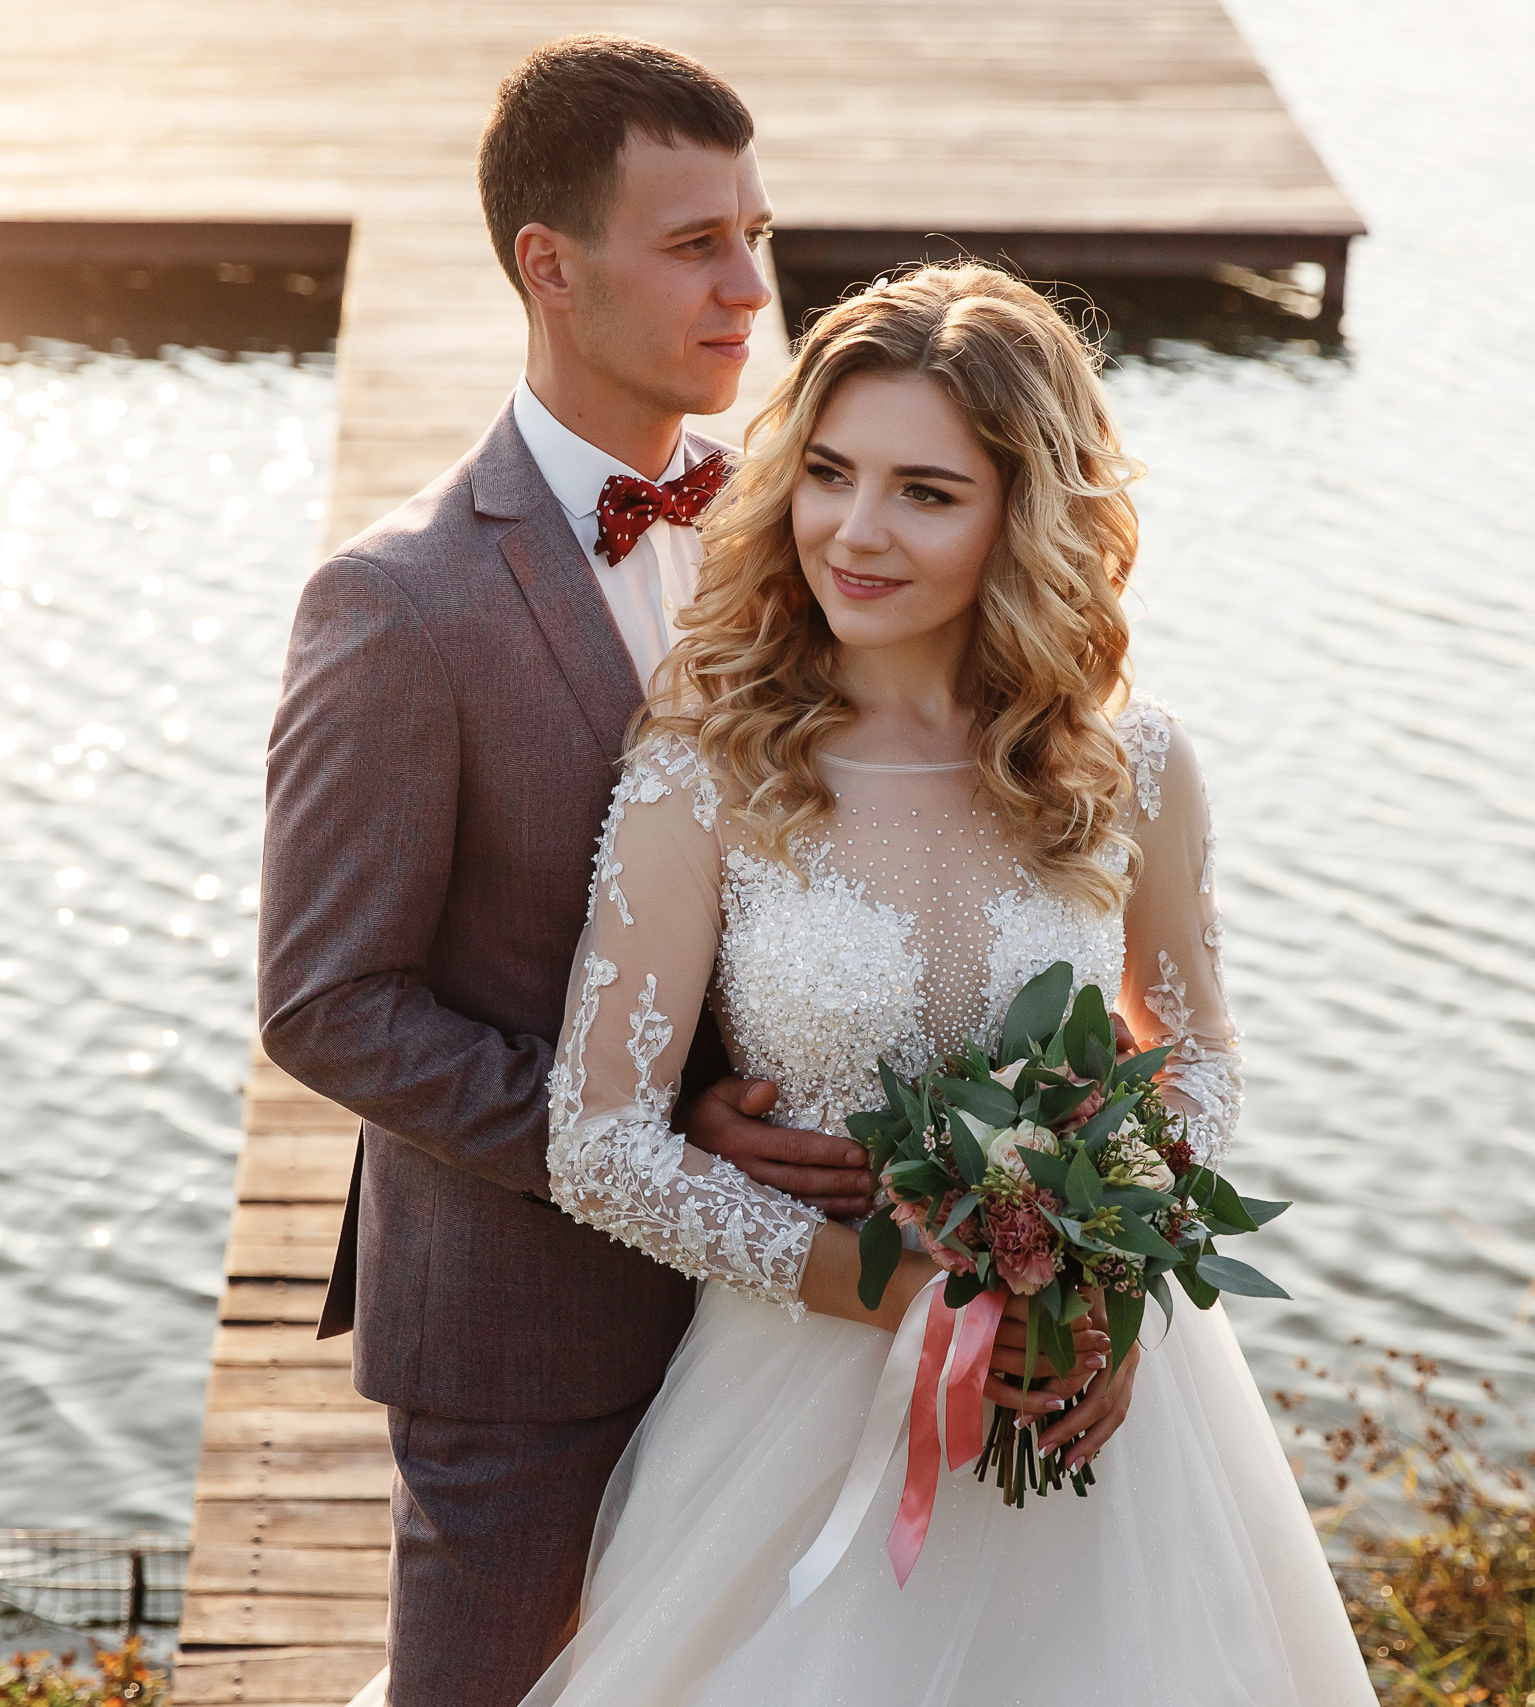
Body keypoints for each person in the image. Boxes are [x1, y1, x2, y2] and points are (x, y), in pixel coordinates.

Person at [261, 36, 1040, 1707]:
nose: (750, 287)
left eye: (756, 234)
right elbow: (329, 1005)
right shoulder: (397, 607)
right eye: (696, 244)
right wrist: (640, 1127)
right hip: (528, 1333)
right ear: (551, 266)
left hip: (798, 1333)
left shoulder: (810, 525)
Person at [522, 263, 1378, 1704]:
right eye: (832, 475)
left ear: (1022, 516)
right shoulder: (707, 762)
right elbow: (597, 1144)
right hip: (791, 1406)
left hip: (1096, 1397)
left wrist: (1113, 1271)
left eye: (925, 492)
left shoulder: (1134, 767)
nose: (853, 533)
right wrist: (903, 1291)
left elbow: (1198, 1053)